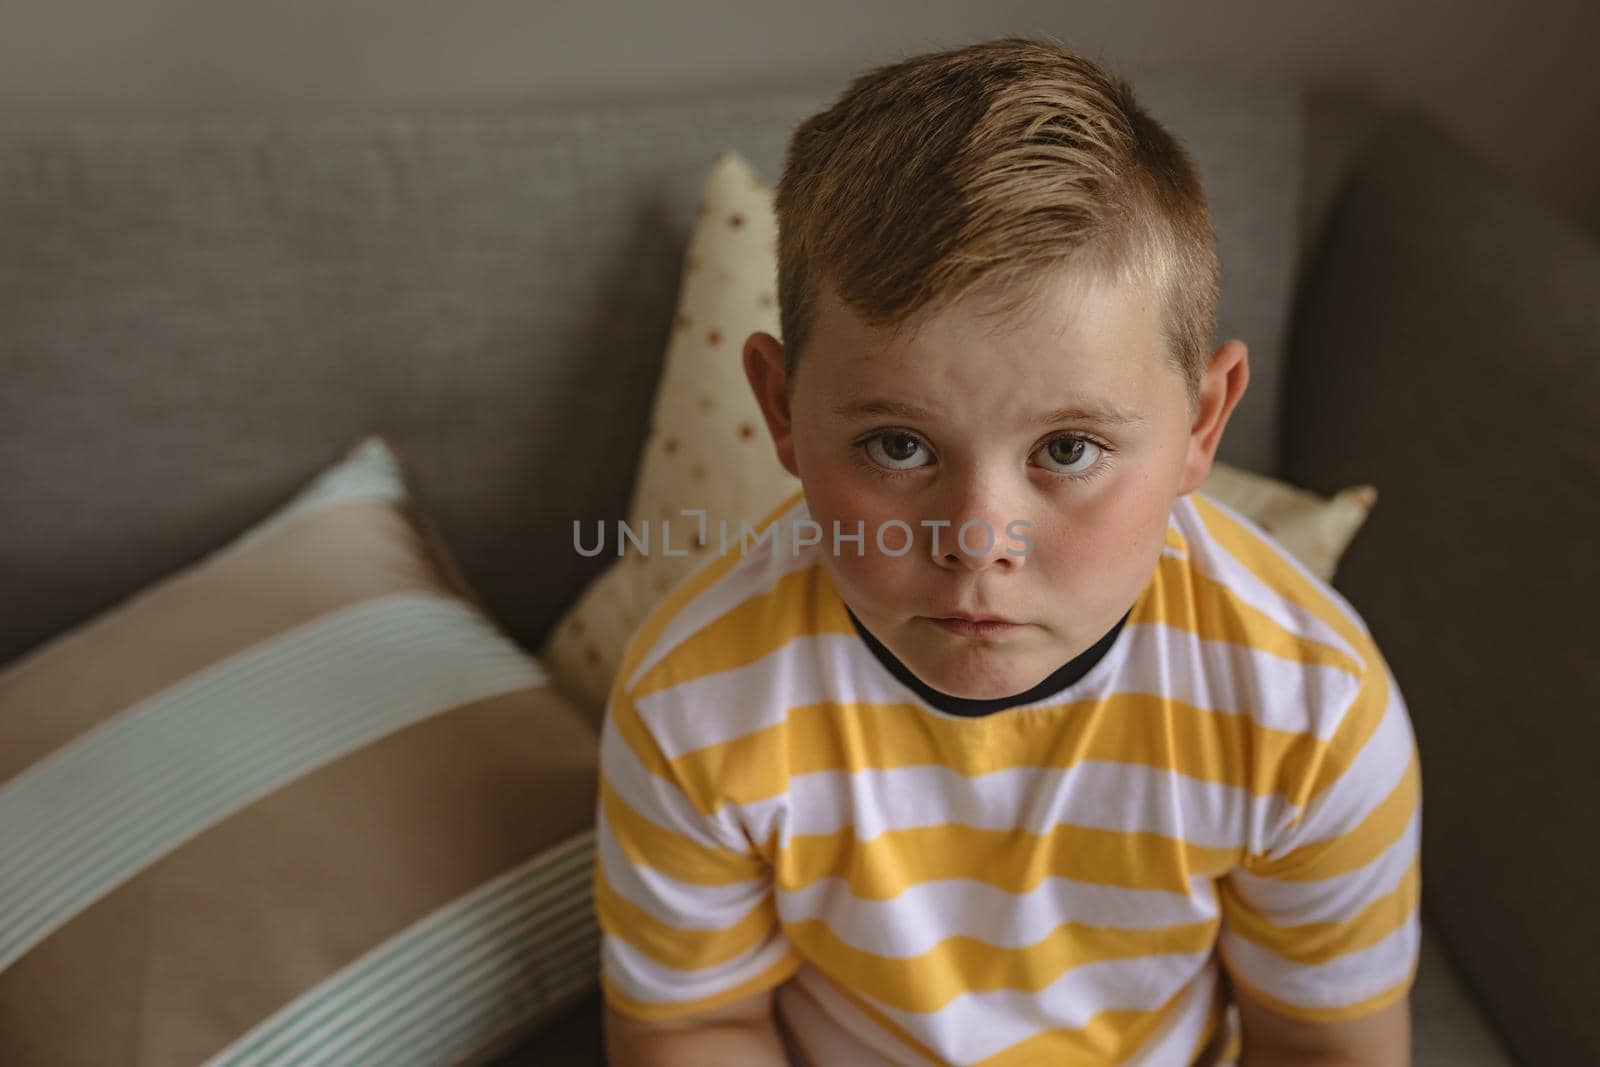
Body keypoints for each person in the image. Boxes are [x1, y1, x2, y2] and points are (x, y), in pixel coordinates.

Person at [593, 34, 1420, 1067]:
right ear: (782, 410)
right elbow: (692, 1022)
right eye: (897, 445)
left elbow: (1319, 1043)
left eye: (1067, 449)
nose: (976, 542)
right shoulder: (693, 698)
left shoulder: (1312, 716)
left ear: (1200, 426)